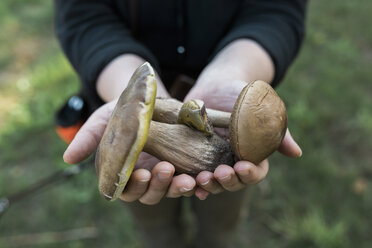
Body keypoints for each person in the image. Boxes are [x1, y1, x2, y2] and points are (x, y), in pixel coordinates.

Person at [55, 0, 307, 247]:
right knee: (154, 220)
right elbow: (82, 17)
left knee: (220, 223)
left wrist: (233, 72)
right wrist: (121, 82)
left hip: (228, 129)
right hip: (129, 114)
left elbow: (277, 10)